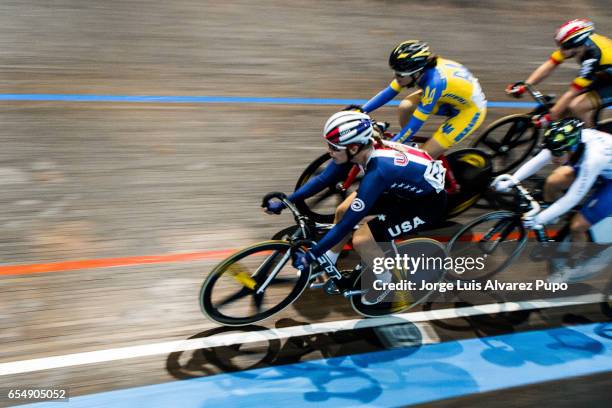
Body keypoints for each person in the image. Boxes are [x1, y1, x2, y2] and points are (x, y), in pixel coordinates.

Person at [263, 111, 447, 305]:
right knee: (342, 210)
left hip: (425, 205)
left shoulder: (378, 171)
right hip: (401, 190)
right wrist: (286, 200)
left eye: (333, 147)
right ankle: (329, 258)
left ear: (353, 147)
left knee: (361, 239)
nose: (329, 151)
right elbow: (323, 179)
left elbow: (347, 225)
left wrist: (311, 256)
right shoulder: (357, 151)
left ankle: (385, 283)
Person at [346, 40, 487, 160]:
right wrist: (362, 110)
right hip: (451, 99)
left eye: (399, 74)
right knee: (405, 106)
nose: (396, 78)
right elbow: (389, 92)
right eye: (395, 72)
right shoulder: (419, 71)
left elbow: (417, 123)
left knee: (423, 157)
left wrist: (392, 145)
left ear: (416, 73)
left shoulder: (434, 84)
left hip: (469, 111)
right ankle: (408, 144)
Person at [492, 118, 612, 243]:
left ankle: (576, 260)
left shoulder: (593, 158)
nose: (553, 158)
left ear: (572, 149)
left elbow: (572, 198)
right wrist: (510, 182)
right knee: (552, 182)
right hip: (602, 168)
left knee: (577, 226)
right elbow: (538, 160)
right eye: (552, 152)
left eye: (558, 154)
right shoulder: (564, 141)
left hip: (605, 173)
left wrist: (539, 219)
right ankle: (555, 216)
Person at [506, 19, 611, 128]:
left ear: (576, 45)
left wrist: (550, 117)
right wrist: (526, 85)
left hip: (606, 76)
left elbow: (572, 92)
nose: (561, 50)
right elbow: (550, 64)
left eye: (564, 47)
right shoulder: (579, 46)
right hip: (605, 74)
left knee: (577, 106)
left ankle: (593, 139)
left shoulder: (591, 58)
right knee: (564, 108)